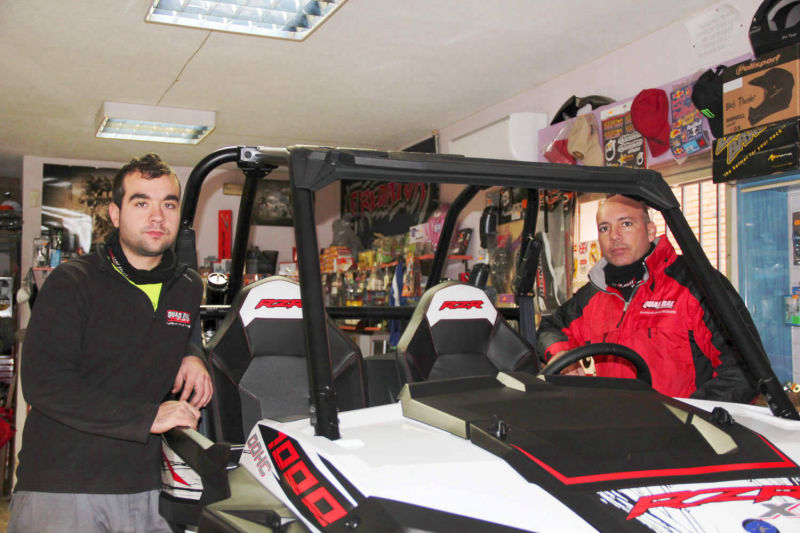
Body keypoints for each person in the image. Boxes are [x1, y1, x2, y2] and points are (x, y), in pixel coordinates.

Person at [9, 153, 213, 532]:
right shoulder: (72, 283)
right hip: (64, 486)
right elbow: (43, 384)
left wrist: (193, 353)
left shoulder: (187, 285)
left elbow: (180, 330)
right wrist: (148, 416)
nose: (157, 216)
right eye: (141, 202)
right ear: (115, 213)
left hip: (150, 487)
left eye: (168, 204)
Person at [537, 194, 757, 403]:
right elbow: (550, 328)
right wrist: (561, 356)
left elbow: (746, 370)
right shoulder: (592, 295)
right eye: (605, 228)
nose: (614, 235)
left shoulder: (696, 285)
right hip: (613, 428)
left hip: (680, 432)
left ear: (651, 231)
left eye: (626, 224)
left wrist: (688, 416)